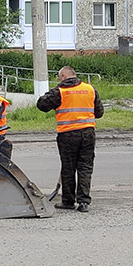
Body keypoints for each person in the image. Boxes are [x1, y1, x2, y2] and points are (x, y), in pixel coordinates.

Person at [36, 66, 104, 213]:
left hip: (68, 135)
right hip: (87, 134)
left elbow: (41, 104)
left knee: (68, 168)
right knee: (85, 167)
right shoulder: (90, 89)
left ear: (63, 77)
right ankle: (84, 201)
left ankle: (68, 201)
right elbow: (99, 112)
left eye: (60, 78)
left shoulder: (60, 91)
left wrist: (57, 89)